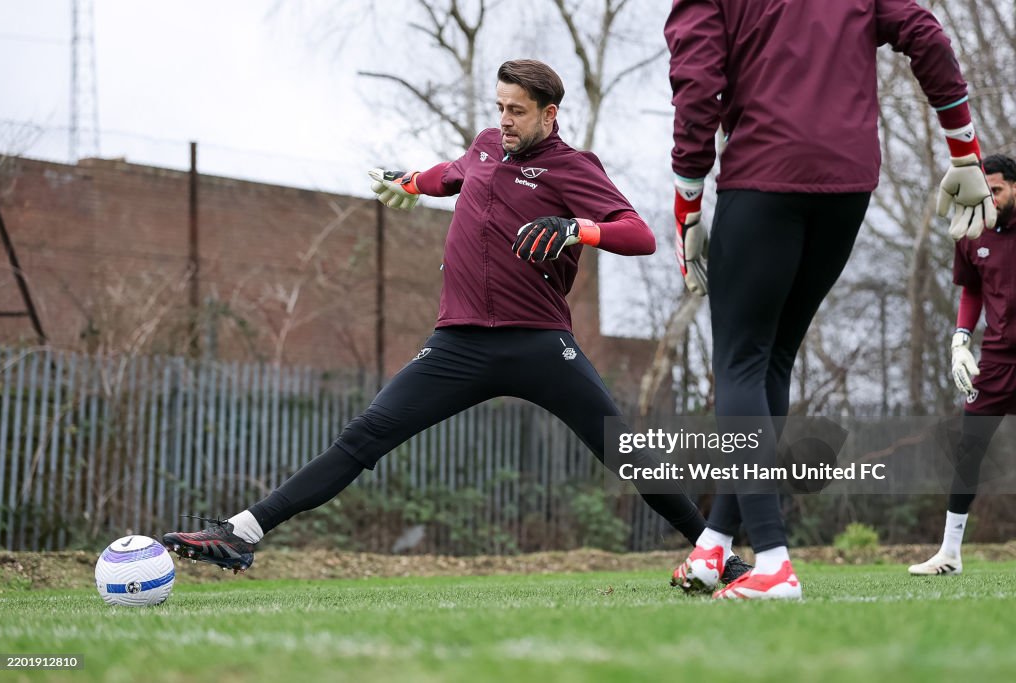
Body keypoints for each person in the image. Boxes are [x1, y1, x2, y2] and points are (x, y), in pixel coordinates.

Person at [163, 59, 750, 583]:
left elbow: (640, 236)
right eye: (499, 107)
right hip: (459, 344)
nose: (505, 120)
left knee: (624, 449)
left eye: (517, 111)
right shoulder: (487, 146)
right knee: (364, 435)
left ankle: (717, 557)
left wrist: (577, 228)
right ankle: (242, 533)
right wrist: (411, 182)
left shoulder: (572, 168)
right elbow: (455, 172)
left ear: (549, 114)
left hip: (540, 344)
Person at [665, 0, 996, 599]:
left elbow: (697, 86)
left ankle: (772, 562)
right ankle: (715, 544)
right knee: (772, 359)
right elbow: (924, 33)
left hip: (765, 172)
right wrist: (964, 148)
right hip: (848, 183)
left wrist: (688, 195)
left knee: (739, 361)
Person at [910, 154, 1016, 576]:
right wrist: (960, 339)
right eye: (984, 191)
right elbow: (971, 289)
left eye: (998, 190)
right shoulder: (972, 230)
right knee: (968, 449)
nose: (990, 198)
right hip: (996, 360)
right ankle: (950, 554)